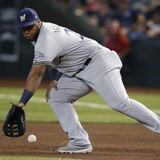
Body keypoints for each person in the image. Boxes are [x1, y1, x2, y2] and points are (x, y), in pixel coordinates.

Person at [16, 7, 160, 154]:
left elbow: (37, 74)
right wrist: (53, 80)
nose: (27, 31)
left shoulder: (46, 37)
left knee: (120, 103)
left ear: (38, 22)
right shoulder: (39, 37)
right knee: (57, 96)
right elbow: (52, 59)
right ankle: (79, 142)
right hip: (79, 72)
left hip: (99, 63)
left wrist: (21, 104)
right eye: (23, 29)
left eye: (30, 26)